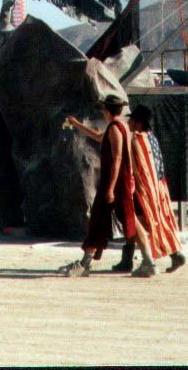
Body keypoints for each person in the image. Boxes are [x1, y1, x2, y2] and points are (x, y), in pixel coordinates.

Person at [58, 95, 153, 277]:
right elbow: (98, 136)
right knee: (124, 220)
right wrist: (77, 124)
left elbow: (117, 159)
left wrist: (110, 188)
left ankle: (84, 264)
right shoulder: (120, 127)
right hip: (119, 183)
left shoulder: (116, 129)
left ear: (107, 111)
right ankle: (148, 261)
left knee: (102, 220)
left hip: (115, 184)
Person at [127, 106, 186, 274]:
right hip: (159, 187)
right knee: (156, 220)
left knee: (141, 221)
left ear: (138, 123)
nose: (129, 123)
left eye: (131, 120)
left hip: (146, 189)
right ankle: (173, 254)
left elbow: (138, 168)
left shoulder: (137, 139)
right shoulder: (152, 138)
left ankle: (147, 260)